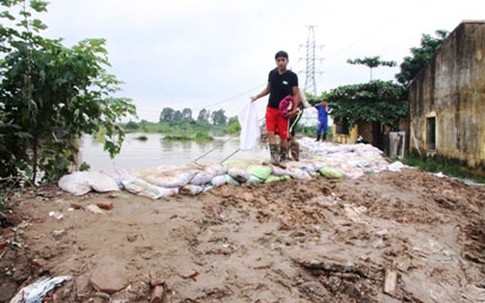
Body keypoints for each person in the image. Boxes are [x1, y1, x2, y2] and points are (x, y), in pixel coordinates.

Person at [251, 50, 300, 167]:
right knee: (270, 133)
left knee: (283, 136)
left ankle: (283, 158)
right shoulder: (272, 74)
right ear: (276, 61)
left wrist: (294, 109)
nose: (281, 63)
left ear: (287, 61)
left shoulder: (292, 76)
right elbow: (268, 89)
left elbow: (296, 94)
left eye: (283, 60)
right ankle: (274, 158)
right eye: (278, 60)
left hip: (283, 112)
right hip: (270, 109)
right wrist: (257, 96)